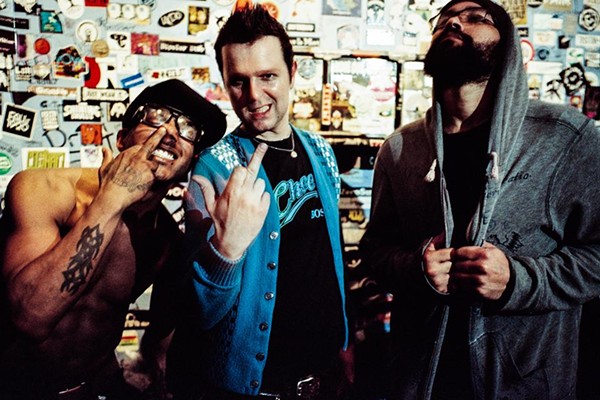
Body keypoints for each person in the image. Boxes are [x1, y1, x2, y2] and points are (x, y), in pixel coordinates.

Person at [359, 0, 600, 399]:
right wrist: (415, 268)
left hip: (523, 383)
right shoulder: (399, 149)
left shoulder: (565, 139)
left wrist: (518, 280)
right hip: (419, 381)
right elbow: (375, 251)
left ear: (508, 47)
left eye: (475, 17)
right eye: (444, 20)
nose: (454, 22)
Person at [0, 78, 227, 400]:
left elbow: (163, 341)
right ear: (121, 139)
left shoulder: (165, 241)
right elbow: (30, 318)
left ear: (191, 160)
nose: (170, 133)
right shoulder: (45, 189)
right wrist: (113, 198)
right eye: (156, 117)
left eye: (188, 129)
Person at [184, 5, 350, 399]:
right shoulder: (214, 168)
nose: (254, 96)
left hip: (326, 379)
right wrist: (225, 252)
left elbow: (331, 261)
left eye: (267, 76)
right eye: (238, 81)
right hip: (257, 387)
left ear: (292, 72)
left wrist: (345, 341)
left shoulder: (321, 151)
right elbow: (201, 311)